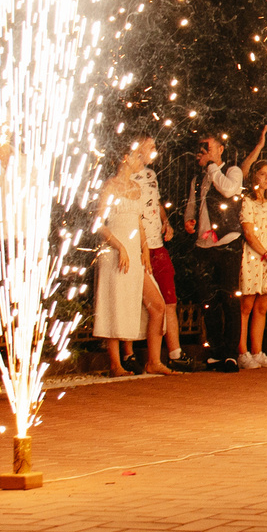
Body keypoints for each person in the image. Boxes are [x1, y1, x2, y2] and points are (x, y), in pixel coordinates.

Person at [182, 128, 260, 370]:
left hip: (227, 243)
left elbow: (229, 190)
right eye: (201, 147)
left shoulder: (231, 170)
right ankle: (215, 350)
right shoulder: (199, 178)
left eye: (208, 146)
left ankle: (230, 353)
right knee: (209, 301)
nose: (203, 151)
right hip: (204, 245)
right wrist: (189, 221)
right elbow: (191, 206)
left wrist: (212, 167)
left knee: (230, 298)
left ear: (220, 149)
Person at [91, 142, 162, 376]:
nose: (141, 161)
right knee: (114, 301)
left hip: (134, 251)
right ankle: (115, 364)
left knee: (143, 303)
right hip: (114, 251)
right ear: (124, 157)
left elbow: (140, 223)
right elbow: (98, 224)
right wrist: (119, 247)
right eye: (136, 157)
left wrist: (145, 251)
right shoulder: (110, 186)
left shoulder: (136, 188)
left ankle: (147, 360)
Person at [132, 133, 193, 371]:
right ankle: (131, 354)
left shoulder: (150, 175)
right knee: (139, 302)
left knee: (169, 299)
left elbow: (156, 204)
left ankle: (175, 352)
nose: (154, 151)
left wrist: (166, 222)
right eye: (151, 147)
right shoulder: (128, 178)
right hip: (138, 245)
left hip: (158, 245)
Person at [237, 157, 267, 368]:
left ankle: (257, 351)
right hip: (254, 256)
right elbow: (248, 232)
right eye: (262, 174)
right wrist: (266, 254)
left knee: (263, 306)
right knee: (246, 305)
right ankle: (242, 351)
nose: (266, 179)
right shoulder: (247, 202)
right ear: (254, 176)